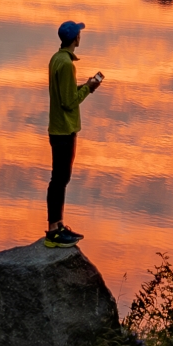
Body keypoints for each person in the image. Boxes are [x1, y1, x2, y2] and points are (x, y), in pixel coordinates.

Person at [45, 19, 104, 247]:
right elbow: (69, 102)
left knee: (59, 179)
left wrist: (83, 86)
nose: (81, 36)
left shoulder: (56, 59)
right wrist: (89, 89)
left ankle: (58, 225)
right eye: (79, 33)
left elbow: (64, 94)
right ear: (75, 38)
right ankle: (54, 231)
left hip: (57, 128)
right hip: (65, 129)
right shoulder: (67, 64)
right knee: (60, 180)